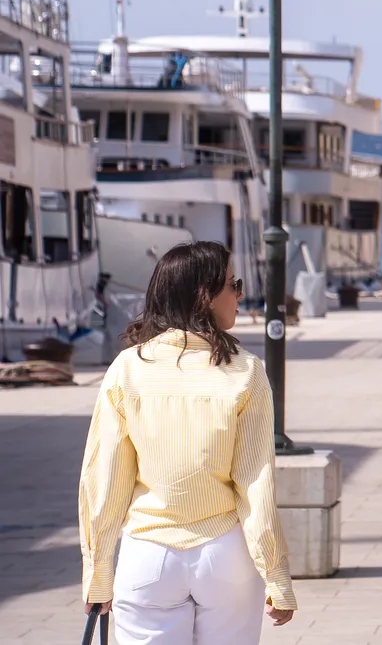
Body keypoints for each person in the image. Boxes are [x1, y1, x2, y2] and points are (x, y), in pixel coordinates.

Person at [79, 240, 295, 641]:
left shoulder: (128, 369)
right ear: (204, 295)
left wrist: (98, 575)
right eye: (234, 284)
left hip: (148, 555)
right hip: (224, 554)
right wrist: (276, 576)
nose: (240, 294)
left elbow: (104, 483)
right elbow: (256, 485)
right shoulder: (246, 372)